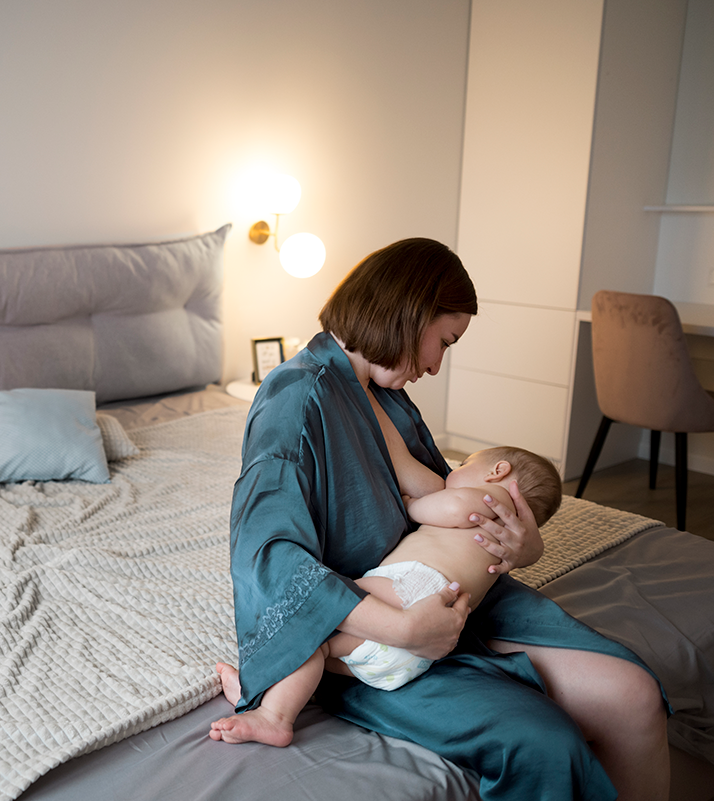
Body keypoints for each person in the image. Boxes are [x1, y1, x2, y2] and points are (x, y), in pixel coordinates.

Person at [207, 238, 670, 801]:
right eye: (444, 343)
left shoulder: (381, 392)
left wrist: (522, 548)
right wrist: (402, 630)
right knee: (546, 745)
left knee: (636, 695)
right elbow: (267, 559)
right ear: (409, 312)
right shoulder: (296, 396)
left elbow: (446, 495)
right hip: (358, 624)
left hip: (448, 596)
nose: (434, 366)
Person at [209, 445, 560, 741]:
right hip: (414, 658)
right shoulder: (508, 542)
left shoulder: (495, 501)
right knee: (320, 649)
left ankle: (274, 717)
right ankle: (263, 692)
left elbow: (456, 508)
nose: (455, 470)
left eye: (465, 464)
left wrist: (409, 505)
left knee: (310, 621)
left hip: (413, 590)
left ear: (497, 471)